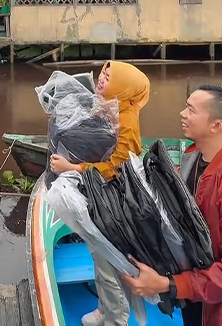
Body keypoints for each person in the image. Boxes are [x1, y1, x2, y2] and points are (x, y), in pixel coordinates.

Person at [121, 84, 222, 326]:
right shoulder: (193, 156)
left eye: (191, 110)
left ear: (216, 126)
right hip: (194, 290)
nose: (182, 114)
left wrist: (169, 284)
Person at [50, 61, 150, 326]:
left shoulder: (126, 120)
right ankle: (104, 310)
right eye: (103, 74)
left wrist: (71, 166)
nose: (102, 80)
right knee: (97, 254)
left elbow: (117, 168)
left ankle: (116, 319)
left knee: (108, 260)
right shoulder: (112, 106)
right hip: (98, 194)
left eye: (109, 77)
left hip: (113, 201)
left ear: (123, 86)